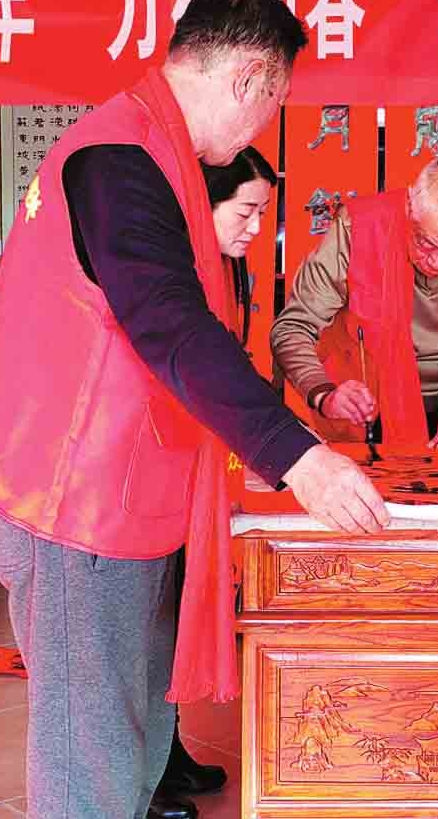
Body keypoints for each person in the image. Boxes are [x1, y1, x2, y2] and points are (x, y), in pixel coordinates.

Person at [0, 0, 389, 819]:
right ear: (251, 79)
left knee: (137, 725)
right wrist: (298, 456)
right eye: (274, 104)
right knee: (91, 747)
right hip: (72, 498)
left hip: (124, 488)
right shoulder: (120, 157)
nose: (265, 125)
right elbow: (170, 323)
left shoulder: (158, 152)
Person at [157, 146, 277, 803]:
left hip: (200, 464)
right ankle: (149, 775)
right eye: (246, 210)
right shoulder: (175, 270)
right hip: (161, 471)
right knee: (152, 627)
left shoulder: (227, 265)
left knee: (174, 614)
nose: (256, 227)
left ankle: (167, 754)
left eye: (263, 212)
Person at [271, 157, 438, 448]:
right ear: (409, 206)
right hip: (364, 414)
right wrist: (323, 393)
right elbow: (293, 327)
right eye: (426, 243)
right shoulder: (359, 228)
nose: (436, 262)